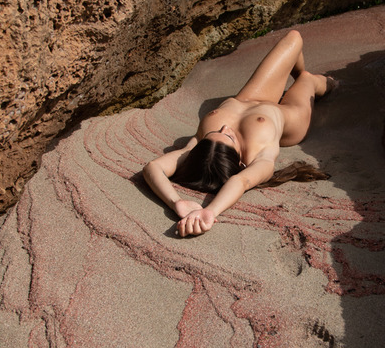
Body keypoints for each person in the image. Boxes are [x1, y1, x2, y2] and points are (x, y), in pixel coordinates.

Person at [142, 29, 334, 237]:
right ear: (240, 163)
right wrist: (210, 211)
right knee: (306, 79)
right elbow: (240, 182)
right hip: (290, 117)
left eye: (215, 132)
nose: (226, 128)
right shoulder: (259, 157)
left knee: (294, 38)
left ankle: (297, 77)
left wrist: (176, 202)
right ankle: (328, 84)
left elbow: (153, 167)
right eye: (229, 137)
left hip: (251, 97)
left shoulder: (197, 147)